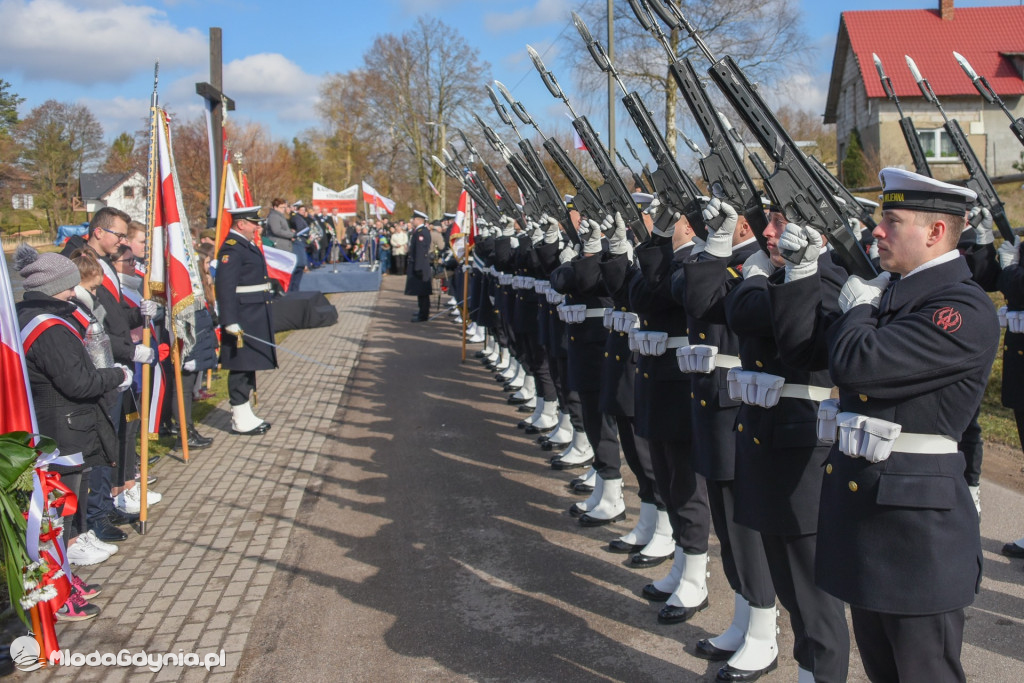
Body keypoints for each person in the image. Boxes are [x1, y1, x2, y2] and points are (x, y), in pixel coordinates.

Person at [779, 168, 999, 681]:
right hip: (869, 521)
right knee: (883, 672)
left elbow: (858, 364)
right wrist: (800, 273)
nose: (877, 231)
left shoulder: (960, 309)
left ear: (935, 231)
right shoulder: (892, 292)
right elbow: (802, 351)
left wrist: (857, 309)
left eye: (892, 221)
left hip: (917, 536)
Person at [14, 245, 130, 619]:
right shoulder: (47, 327)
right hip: (60, 433)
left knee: (64, 515)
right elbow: (78, 382)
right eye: (68, 285)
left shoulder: (44, 314)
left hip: (66, 428)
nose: (74, 291)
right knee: (56, 518)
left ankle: (64, 577)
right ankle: (57, 593)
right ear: (55, 286)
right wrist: (118, 375)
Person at [215, 206, 277, 435]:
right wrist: (229, 319)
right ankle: (239, 417)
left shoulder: (245, 245)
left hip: (253, 315)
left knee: (249, 366)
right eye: (254, 223)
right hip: (242, 318)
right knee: (240, 368)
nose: (257, 227)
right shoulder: (232, 248)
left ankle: (245, 412)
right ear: (241, 224)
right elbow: (225, 287)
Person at [405, 210, 433, 322]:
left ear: (418, 220)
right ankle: (422, 311)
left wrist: (418, 268)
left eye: (413, 219)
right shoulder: (419, 231)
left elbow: (421, 252)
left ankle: (423, 314)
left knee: (423, 292)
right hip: (419, 265)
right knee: (420, 292)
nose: (412, 221)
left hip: (421, 266)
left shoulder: (421, 232)